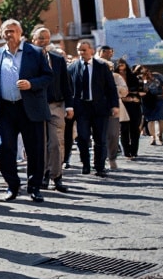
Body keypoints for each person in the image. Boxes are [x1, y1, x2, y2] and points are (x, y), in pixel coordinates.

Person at [0, 20, 52, 202]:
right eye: (5, 31)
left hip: (29, 108)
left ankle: (34, 187)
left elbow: (48, 76)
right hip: (5, 109)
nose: (9, 34)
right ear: (0, 34)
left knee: (35, 149)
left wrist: (31, 84)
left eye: (12, 31)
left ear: (20, 33)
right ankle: (12, 186)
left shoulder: (35, 52)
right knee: (4, 148)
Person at [67, 40, 117, 177]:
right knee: (82, 137)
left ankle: (99, 167)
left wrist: (114, 105)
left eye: (84, 50)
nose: (81, 53)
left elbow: (110, 87)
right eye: (79, 50)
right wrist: (70, 106)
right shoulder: (72, 67)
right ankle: (86, 164)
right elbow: (68, 89)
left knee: (100, 138)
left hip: (100, 108)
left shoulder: (102, 66)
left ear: (91, 50)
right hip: (81, 108)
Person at [31, 27, 71, 192]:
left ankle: (57, 176)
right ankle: (43, 176)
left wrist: (69, 105)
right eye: (40, 38)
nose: (44, 41)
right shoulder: (29, 60)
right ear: (33, 40)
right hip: (36, 107)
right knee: (40, 144)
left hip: (56, 106)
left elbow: (66, 85)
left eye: (47, 38)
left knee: (55, 143)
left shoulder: (58, 60)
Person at [117, 58, 143, 159]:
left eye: (123, 66)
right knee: (124, 129)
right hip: (122, 105)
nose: (121, 69)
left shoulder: (133, 77)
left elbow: (140, 91)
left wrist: (132, 97)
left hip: (134, 104)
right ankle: (127, 152)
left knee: (134, 129)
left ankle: (134, 151)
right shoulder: (114, 77)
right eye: (119, 66)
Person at [142, 67, 163, 145]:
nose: (148, 74)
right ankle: (153, 137)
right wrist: (145, 81)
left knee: (161, 119)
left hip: (159, 98)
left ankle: (160, 135)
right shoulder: (143, 79)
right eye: (145, 73)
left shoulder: (158, 76)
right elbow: (144, 89)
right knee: (150, 119)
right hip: (149, 100)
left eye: (148, 72)